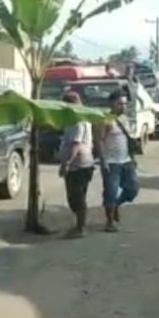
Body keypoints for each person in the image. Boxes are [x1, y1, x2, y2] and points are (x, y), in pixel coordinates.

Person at [95, 89, 140, 232]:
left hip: (126, 161)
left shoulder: (124, 119)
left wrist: (132, 159)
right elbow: (99, 141)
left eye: (125, 104)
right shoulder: (105, 120)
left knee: (132, 189)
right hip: (111, 163)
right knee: (111, 191)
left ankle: (115, 206)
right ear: (112, 104)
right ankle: (109, 221)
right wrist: (103, 162)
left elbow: (127, 142)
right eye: (120, 103)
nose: (123, 106)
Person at [58, 91, 95, 238]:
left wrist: (66, 163)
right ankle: (81, 223)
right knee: (77, 197)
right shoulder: (79, 119)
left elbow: (76, 144)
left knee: (76, 198)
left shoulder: (77, 121)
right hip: (82, 163)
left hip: (78, 164)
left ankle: (81, 228)